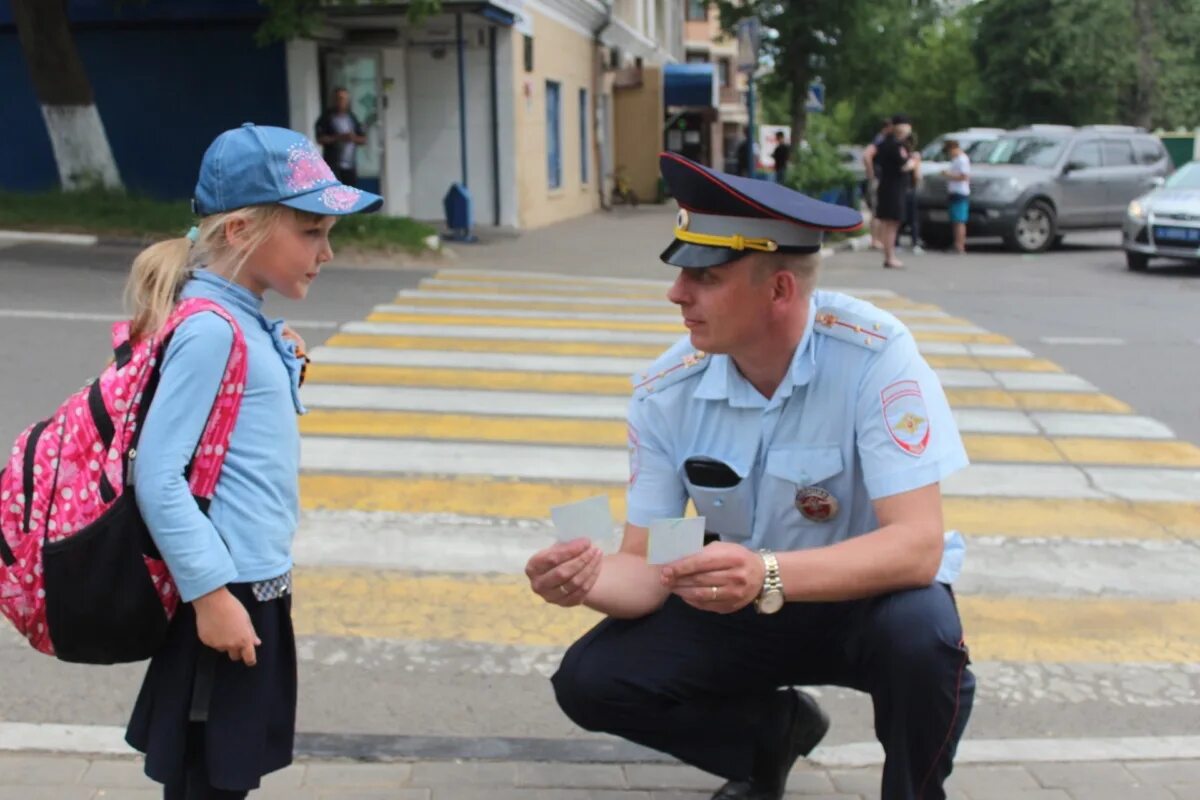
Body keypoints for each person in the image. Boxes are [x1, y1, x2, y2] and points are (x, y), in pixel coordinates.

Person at [525, 152, 974, 800]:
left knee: (924, 637)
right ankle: (769, 735)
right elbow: (648, 564)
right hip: (736, 607)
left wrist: (767, 573)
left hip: (857, 603)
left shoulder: (875, 357)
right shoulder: (665, 392)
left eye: (703, 277)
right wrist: (583, 578)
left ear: (780, 290)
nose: (677, 294)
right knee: (592, 678)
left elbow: (918, 544)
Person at [124, 123, 383, 799]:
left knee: (221, 779)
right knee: (208, 783)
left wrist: (279, 359)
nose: (326, 253)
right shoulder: (212, 327)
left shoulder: (240, 318)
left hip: (251, 586)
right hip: (226, 592)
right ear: (240, 230)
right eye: (310, 232)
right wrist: (212, 598)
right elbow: (155, 476)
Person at [874, 114, 916, 269]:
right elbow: (903, 165)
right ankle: (889, 256)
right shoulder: (895, 145)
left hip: (888, 186)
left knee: (888, 223)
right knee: (891, 222)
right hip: (893, 188)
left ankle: (889, 254)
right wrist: (913, 161)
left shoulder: (885, 143)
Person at [315, 87, 367, 187]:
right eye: (339, 98)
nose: (342, 102)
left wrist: (353, 138)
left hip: (350, 165)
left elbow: (363, 139)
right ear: (334, 100)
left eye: (345, 99)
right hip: (333, 164)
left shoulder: (352, 117)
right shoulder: (326, 118)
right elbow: (320, 139)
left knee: (351, 192)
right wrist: (339, 137)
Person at [861, 118, 893, 249]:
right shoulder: (880, 141)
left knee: (880, 209)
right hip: (878, 178)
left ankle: (878, 239)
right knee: (877, 209)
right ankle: (875, 239)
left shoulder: (882, 140)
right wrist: (871, 174)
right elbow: (867, 155)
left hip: (881, 178)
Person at [943, 139, 971, 254]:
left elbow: (964, 176)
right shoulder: (956, 159)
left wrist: (948, 175)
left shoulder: (962, 160)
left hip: (960, 191)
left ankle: (960, 245)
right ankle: (956, 243)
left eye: (949, 151)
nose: (949, 154)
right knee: (955, 219)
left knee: (959, 220)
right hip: (954, 191)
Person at [900, 131, 924, 254]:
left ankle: (896, 243)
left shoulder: (901, 155)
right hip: (910, 188)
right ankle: (915, 243)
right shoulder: (914, 157)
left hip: (900, 189)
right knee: (914, 218)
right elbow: (917, 175)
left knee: (900, 217)